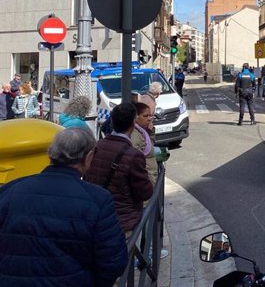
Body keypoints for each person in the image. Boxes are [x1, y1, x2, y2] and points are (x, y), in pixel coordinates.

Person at [0, 128, 128, 286]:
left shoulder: (10, 189)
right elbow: (113, 262)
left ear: (50, 154)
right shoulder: (98, 199)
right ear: (88, 157)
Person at [84, 102, 154, 236]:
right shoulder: (133, 155)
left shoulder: (96, 146)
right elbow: (145, 192)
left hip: (97, 219)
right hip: (122, 222)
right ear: (133, 123)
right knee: (128, 255)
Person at [131, 94, 158, 186]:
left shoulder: (143, 131)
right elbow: (135, 163)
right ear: (136, 117)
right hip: (145, 183)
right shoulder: (135, 134)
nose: (149, 119)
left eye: (150, 115)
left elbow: (149, 146)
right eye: (145, 116)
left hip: (150, 180)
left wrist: (151, 132)